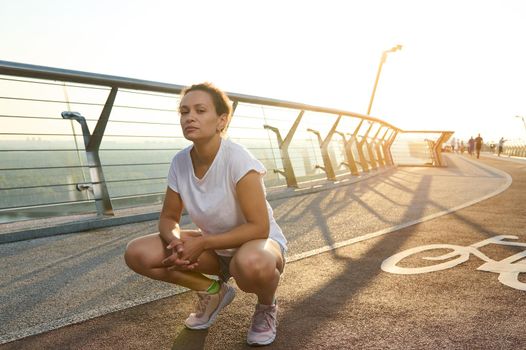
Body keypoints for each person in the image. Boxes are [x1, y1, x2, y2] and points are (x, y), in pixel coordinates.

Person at [124, 83, 287, 346]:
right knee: (138, 253)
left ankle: (266, 307)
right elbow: (168, 218)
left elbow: (260, 228)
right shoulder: (179, 162)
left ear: (221, 120)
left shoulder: (238, 159)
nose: (190, 117)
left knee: (250, 265)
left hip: (257, 246)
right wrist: (176, 241)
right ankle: (212, 292)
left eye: (200, 110)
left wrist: (201, 243)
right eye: (184, 111)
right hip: (213, 248)